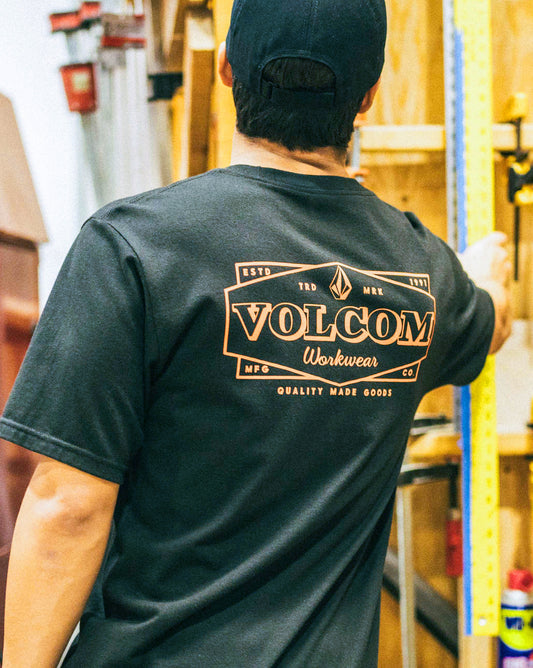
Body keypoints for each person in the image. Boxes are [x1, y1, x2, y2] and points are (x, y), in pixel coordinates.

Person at [0, 0, 511, 666]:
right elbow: (493, 318)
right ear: (367, 98)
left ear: (226, 69)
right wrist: (482, 275)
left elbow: (68, 504)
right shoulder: (422, 275)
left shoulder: (134, 248)